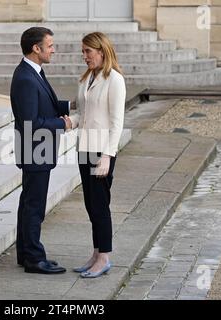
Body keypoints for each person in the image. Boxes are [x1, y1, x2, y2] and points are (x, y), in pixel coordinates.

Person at [10, 27, 72, 274]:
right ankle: (34, 259)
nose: (53, 49)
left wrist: (70, 106)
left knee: (28, 203)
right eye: (50, 45)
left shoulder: (33, 72)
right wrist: (64, 123)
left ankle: (26, 253)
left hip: (37, 150)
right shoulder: (25, 77)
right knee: (34, 206)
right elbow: (30, 123)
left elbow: (44, 104)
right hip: (35, 151)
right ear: (36, 48)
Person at [69, 32, 126, 278]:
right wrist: (69, 121)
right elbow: (84, 114)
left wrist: (107, 156)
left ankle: (104, 258)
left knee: (100, 206)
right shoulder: (86, 79)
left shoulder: (115, 80)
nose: (84, 57)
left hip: (102, 151)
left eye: (87, 52)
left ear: (101, 51)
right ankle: (95, 253)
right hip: (85, 148)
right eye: (83, 52)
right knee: (91, 205)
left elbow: (116, 123)